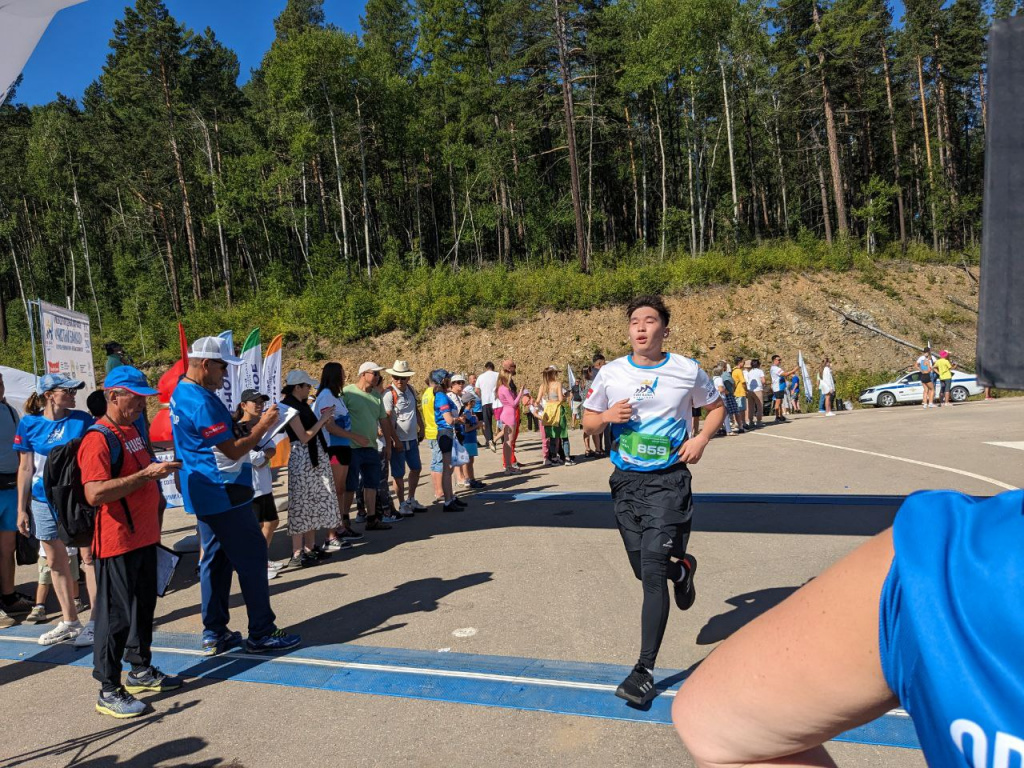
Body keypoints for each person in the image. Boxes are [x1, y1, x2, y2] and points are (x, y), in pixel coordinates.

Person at [672, 489, 1024, 768]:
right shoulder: (948, 566)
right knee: (648, 568)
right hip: (631, 478)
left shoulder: (949, 564)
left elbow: (712, 727)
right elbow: (712, 725)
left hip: (664, 479)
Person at [582, 295, 725, 706]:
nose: (641, 328)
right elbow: (588, 422)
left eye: (649, 321)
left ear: (664, 328)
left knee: (649, 573)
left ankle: (643, 671)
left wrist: (700, 439)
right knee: (642, 568)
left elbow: (716, 408)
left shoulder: (686, 370)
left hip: (668, 483)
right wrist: (608, 418)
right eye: (634, 322)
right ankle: (682, 572)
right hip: (626, 483)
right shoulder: (611, 373)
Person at [170, 336, 301, 655]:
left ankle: (214, 631)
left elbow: (217, 436)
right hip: (223, 489)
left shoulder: (183, 392)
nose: (225, 374)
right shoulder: (201, 399)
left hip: (205, 489)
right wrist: (265, 425)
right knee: (253, 553)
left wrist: (249, 425)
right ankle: (261, 631)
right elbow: (230, 449)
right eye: (222, 367)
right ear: (205, 364)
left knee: (214, 558)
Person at [80, 366, 182, 718]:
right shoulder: (98, 438)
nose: (142, 404)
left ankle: (140, 669)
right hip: (117, 540)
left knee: (143, 609)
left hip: (143, 537)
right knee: (116, 617)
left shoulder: (132, 429)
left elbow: (143, 476)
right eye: (135, 398)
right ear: (113, 396)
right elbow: (94, 494)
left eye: (144, 399)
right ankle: (108, 688)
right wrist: (145, 475)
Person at [14, 373, 94, 645]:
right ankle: (70, 622)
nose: (73, 394)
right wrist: (21, 509)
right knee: (55, 562)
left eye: (74, 390)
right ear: (50, 395)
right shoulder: (29, 423)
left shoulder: (82, 420)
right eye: (68, 390)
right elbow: (25, 468)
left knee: (88, 558)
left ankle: (97, 623)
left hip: (76, 500)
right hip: (42, 501)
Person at [281, 370, 345, 566]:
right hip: (303, 458)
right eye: (306, 385)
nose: (309, 389)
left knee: (313, 502)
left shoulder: (301, 405)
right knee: (301, 505)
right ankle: (297, 552)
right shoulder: (289, 407)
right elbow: (304, 436)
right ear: (297, 387)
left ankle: (309, 547)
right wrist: (323, 419)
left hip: (312, 457)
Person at [233, 390, 286, 579]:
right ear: (243, 405)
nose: (259, 404)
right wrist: (267, 455)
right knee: (256, 529)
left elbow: (268, 451)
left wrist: (266, 455)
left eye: (261, 401)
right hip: (251, 487)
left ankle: (261, 559)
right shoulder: (239, 428)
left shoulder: (260, 427)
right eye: (254, 402)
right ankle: (256, 565)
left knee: (272, 522)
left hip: (263, 484)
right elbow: (253, 458)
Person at [343, 362, 401, 531]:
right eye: (374, 373)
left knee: (371, 484)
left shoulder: (376, 396)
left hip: (371, 447)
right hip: (352, 447)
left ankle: (372, 518)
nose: (377, 377)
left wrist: (389, 446)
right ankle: (345, 520)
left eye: (378, 374)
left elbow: (384, 421)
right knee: (350, 485)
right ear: (363, 374)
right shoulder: (347, 393)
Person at [312, 363, 366, 544]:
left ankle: (339, 526)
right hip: (333, 448)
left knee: (340, 489)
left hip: (342, 447)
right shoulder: (326, 396)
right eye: (343, 373)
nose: (345, 376)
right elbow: (330, 426)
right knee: (334, 490)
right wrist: (356, 436)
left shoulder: (336, 396)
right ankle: (331, 534)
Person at [0, 371, 32, 628]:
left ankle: (9, 597)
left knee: (7, 548)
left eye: (0, 383)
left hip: (10, 488)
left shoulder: (10, 411)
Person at [383, 360, 425, 517]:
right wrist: (395, 439)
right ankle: (401, 503)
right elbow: (386, 419)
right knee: (398, 473)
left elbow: (415, 410)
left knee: (416, 468)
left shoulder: (411, 390)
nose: (399, 381)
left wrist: (422, 426)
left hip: (412, 438)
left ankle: (411, 499)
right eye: (396, 377)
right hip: (398, 439)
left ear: (408, 378)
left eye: (403, 377)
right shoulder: (389, 394)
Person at [430, 369, 467, 511]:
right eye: (448, 378)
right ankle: (447, 501)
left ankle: (450, 498)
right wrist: (459, 419)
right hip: (445, 432)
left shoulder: (442, 395)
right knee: (447, 469)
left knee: (449, 468)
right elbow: (449, 420)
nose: (450, 380)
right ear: (443, 381)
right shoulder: (441, 396)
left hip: (447, 432)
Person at [420, 375, 444, 504]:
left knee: (435, 461)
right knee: (439, 462)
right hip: (437, 430)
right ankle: (439, 491)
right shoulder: (435, 394)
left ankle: (438, 489)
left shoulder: (426, 393)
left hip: (430, 430)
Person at [496, 361, 522, 474]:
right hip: (509, 415)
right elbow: (513, 403)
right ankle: (508, 465)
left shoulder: (501, 389)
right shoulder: (505, 389)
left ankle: (508, 465)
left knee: (507, 442)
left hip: (506, 414)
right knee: (509, 442)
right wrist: (521, 392)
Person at [539, 366, 569, 466]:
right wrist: (565, 398)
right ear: (553, 374)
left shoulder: (543, 386)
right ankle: (567, 458)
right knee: (563, 434)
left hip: (548, 410)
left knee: (552, 436)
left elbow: (537, 400)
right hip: (557, 410)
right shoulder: (557, 384)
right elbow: (560, 399)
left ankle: (553, 457)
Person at [769, 355, 799, 424]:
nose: (780, 361)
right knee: (778, 402)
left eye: (780, 360)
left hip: (779, 387)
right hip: (778, 387)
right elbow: (785, 374)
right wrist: (794, 370)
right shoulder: (775, 368)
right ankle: (777, 417)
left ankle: (780, 416)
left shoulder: (775, 368)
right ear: (774, 360)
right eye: (778, 360)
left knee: (780, 402)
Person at [477, 362, 498, 452]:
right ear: (493, 367)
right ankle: (504, 440)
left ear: (486, 368)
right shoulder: (498, 375)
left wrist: (481, 396)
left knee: (487, 423)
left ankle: (490, 440)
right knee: (500, 421)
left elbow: (477, 389)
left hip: (485, 402)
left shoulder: (481, 377)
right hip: (497, 402)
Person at [591, 354, 608, 455]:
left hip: (592, 403)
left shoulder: (589, 373)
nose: (605, 364)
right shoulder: (600, 373)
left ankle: (599, 448)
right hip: (601, 403)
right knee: (602, 427)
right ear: (599, 363)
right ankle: (602, 449)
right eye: (604, 362)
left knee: (598, 428)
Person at [730, 357, 749, 432]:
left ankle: (738, 423)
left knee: (737, 409)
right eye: (743, 362)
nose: (743, 364)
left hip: (735, 392)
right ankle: (742, 423)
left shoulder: (733, 370)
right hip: (740, 391)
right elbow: (743, 382)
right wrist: (746, 390)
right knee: (742, 409)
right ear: (739, 362)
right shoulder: (739, 371)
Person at [746, 359, 765, 428]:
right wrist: (763, 385)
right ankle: (759, 421)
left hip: (750, 390)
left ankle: (751, 421)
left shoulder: (750, 372)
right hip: (758, 389)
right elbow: (763, 381)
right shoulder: (760, 371)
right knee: (759, 405)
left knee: (751, 406)